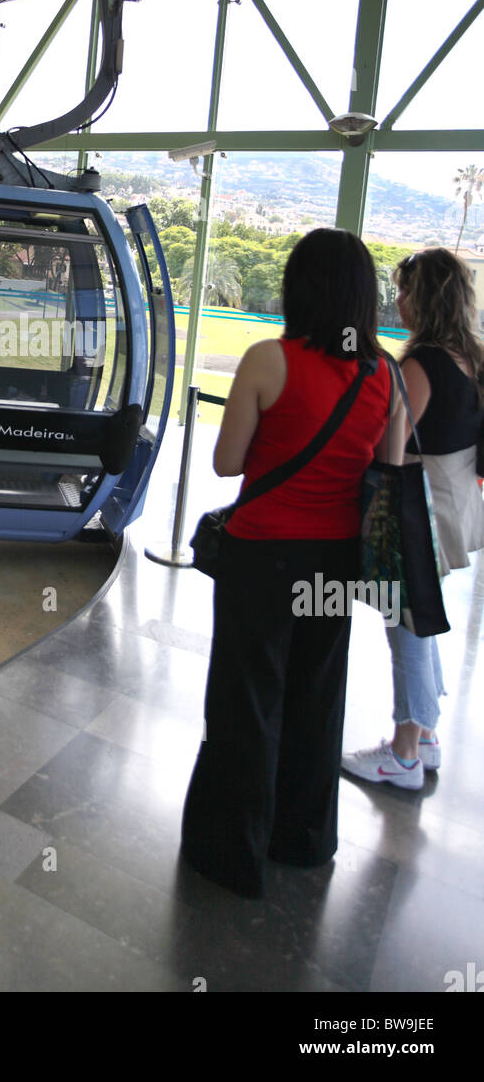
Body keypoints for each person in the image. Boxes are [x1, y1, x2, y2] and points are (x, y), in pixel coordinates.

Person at [181, 228, 393, 898]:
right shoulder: (383, 372)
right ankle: (302, 840)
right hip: (333, 562)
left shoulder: (268, 360)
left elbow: (227, 462)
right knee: (315, 696)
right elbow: (387, 473)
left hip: (263, 558)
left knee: (247, 701)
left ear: (297, 288)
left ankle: (231, 852)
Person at [341, 248, 484, 790]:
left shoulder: (420, 365)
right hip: (456, 504)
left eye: (405, 290)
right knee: (419, 614)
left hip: (419, 507)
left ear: (427, 299)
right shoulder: (470, 356)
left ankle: (403, 751)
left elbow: (389, 449)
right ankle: (424, 734)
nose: (397, 300)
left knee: (406, 622)